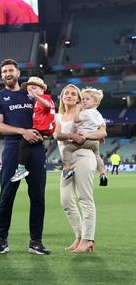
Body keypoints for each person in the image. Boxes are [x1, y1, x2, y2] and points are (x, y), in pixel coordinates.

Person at [0, 61, 51, 256]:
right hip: (13, 148)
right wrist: (23, 131)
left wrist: (45, 132)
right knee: (7, 195)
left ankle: (36, 241)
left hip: (36, 149)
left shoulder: (32, 93)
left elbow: (47, 113)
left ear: (18, 73)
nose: (7, 73)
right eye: (4, 71)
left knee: (38, 196)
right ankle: (1, 238)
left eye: (10, 70)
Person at [54, 84, 107, 254]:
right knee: (66, 201)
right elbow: (56, 135)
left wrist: (87, 135)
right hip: (67, 161)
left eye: (73, 94)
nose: (69, 95)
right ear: (62, 97)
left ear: (79, 99)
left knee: (85, 198)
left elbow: (102, 133)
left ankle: (88, 239)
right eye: (65, 93)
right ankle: (79, 236)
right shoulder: (58, 116)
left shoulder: (85, 114)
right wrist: (72, 135)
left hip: (84, 155)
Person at [8, 76, 56, 183]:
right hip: (43, 130)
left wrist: (36, 96)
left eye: (34, 88)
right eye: (29, 90)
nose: (31, 91)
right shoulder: (37, 101)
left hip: (41, 129)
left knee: (23, 144)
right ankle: (41, 150)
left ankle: (21, 169)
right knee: (29, 145)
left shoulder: (45, 98)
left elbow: (48, 105)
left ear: (42, 89)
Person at [61, 88, 107, 182]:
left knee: (67, 149)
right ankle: (103, 174)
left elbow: (76, 120)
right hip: (95, 142)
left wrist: (78, 109)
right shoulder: (98, 114)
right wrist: (100, 136)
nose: (83, 101)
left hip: (84, 139)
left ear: (95, 102)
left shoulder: (86, 112)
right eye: (83, 99)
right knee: (97, 156)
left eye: (87, 99)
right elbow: (102, 128)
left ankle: (67, 169)